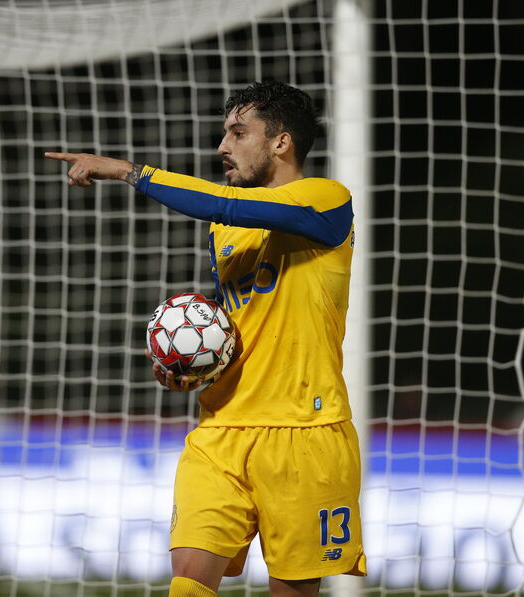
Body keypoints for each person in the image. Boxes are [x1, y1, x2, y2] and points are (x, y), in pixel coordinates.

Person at [45, 80, 366, 597]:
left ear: (281, 142)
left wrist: (131, 172)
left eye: (238, 133)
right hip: (220, 431)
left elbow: (230, 206)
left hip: (306, 433)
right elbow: (243, 325)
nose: (223, 147)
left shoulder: (328, 202)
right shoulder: (223, 229)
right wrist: (193, 364)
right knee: (188, 584)